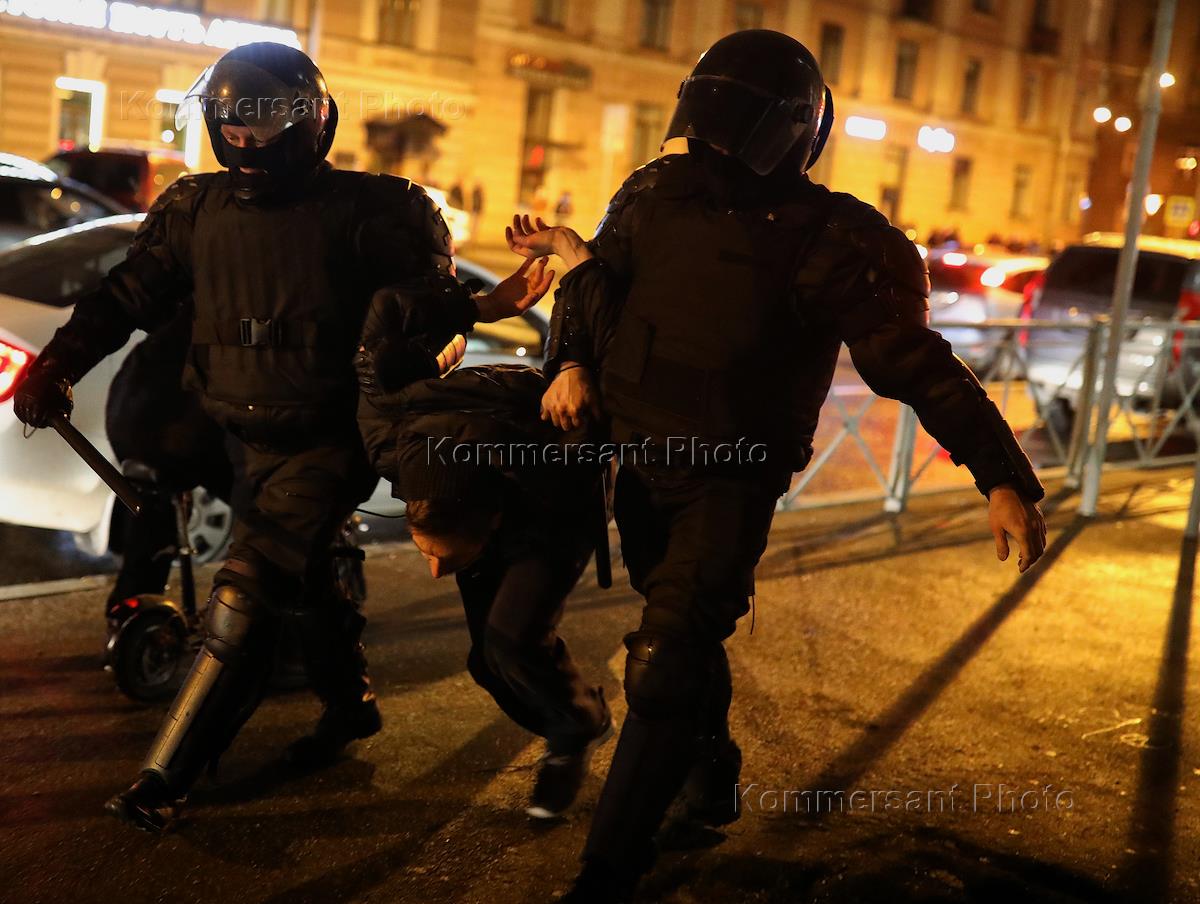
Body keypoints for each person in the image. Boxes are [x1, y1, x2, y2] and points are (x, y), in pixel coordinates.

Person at [508, 29, 1048, 902]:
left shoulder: (835, 236)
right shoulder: (652, 195)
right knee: (679, 639)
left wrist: (1002, 475)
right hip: (640, 464)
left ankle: (607, 873)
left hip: (733, 480)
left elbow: (914, 364)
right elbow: (596, 293)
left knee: (665, 657)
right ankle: (711, 769)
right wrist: (568, 360)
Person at [13, 41, 551, 833]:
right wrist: (58, 362)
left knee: (246, 592)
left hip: (329, 437)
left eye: (261, 126)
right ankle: (349, 704)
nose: (244, 142)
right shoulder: (194, 209)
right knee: (306, 582)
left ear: (312, 122)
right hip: (233, 432)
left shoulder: (378, 211)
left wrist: (476, 310)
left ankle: (164, 779)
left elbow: (419, 317)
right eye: (230, 125)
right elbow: (125, 295)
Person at [354, 276, 612, 818]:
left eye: (449, 558)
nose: (433, 572)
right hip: (484, 478)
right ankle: (571, 722)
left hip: (554, 512)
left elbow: (598, 437)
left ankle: (576, 730)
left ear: (492, 523)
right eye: (425, 550)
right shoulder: (390, 443)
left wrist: (575, 366)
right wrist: (473, 306)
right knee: (486, 663)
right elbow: (383, 308)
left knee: (512, 639)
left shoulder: (550, 458)